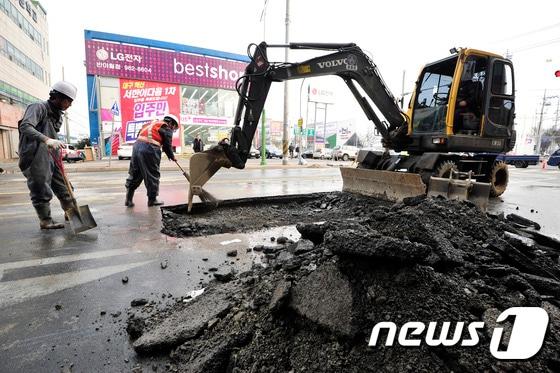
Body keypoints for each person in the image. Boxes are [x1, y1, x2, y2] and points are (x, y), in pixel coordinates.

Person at [17, 81, 77, 229]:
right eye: (67, 101)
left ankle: (73, 214)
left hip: (51, 154)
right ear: (56, 97)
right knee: (40, 187)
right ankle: (46, 220)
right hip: (35, 154)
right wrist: (47, 139)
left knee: (65, 186)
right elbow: (25, 126)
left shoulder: (58, 115)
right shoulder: (38, 107)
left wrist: (54, 142)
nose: (69, 104)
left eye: (71, 102)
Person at [125, 114, 178, 207]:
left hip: (136, 147)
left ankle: (128, 199)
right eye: (174, 127)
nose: (173, 129)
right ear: (170, 122)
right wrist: (172, 156)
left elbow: (139, 135)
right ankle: (152, 200)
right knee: (152, 174)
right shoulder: (166, 127)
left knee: (135, 173)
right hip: (149, 149)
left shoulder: (150, 124)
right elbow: (167, 145)